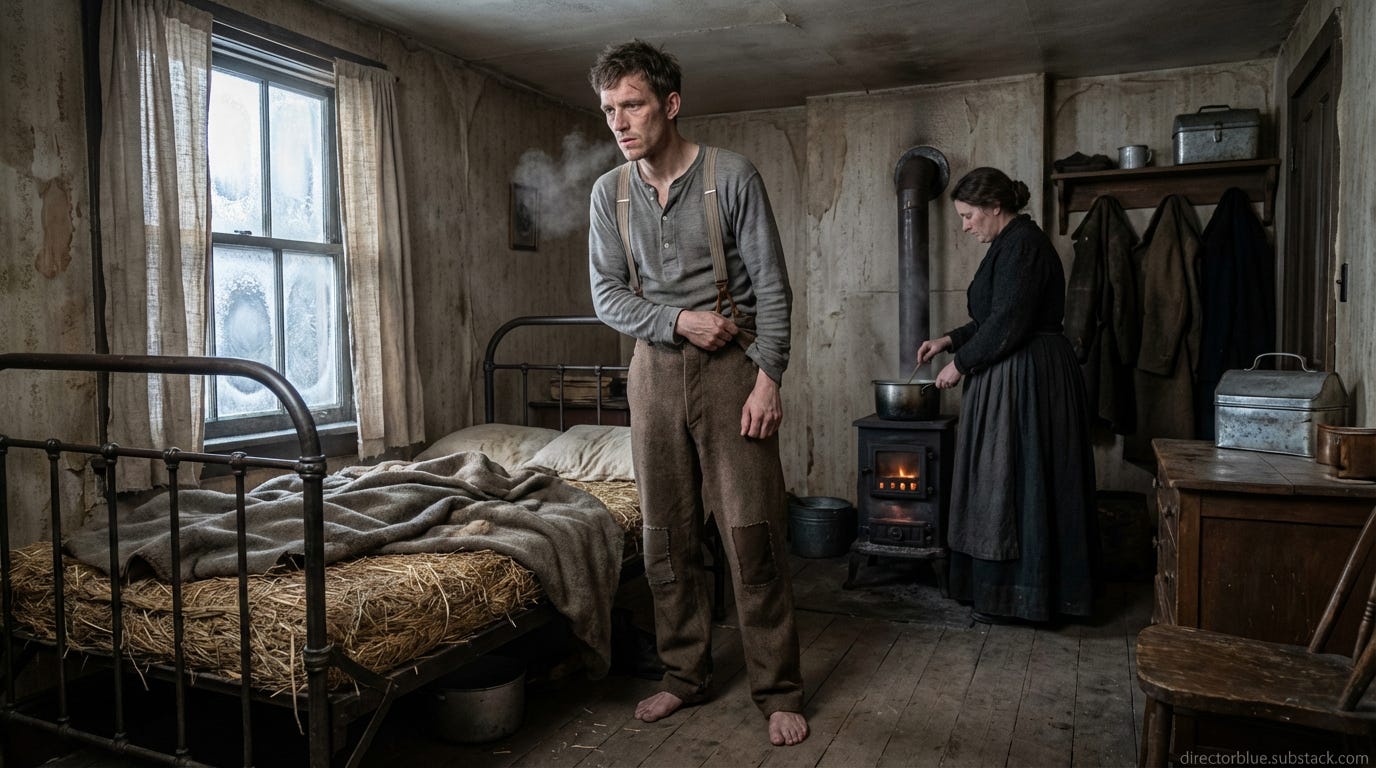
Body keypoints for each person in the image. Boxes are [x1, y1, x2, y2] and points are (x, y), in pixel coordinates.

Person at [586, 40, 808, 746]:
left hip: (733, 371)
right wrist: (676, 319)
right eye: (609, 109)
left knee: (752, 536)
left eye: (634, 105)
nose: (620, 122)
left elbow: (772, 284)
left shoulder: (731, 175)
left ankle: (778, 687)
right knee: (666, 536)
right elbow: (606, 295)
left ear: (670, 104)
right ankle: (685, 675)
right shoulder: (608, 193)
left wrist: (769, 378)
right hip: (652, 370)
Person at [916, 167, 1096, 624]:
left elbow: (1010, 321)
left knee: (1021, 479)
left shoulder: (1024, 245)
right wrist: (948, 341)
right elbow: (993, 317)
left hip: (1028, 376)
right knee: (1008, 478)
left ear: (996, 207)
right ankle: (1005, 591)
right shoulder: (1010, 244)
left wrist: (959, 365)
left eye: (969, 215)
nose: (965, 226)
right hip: (1015, 367)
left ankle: (1027, 595)